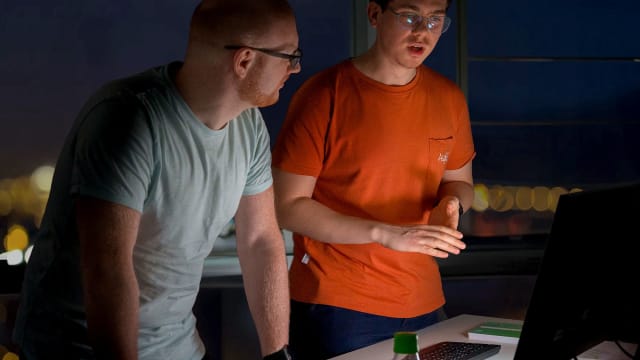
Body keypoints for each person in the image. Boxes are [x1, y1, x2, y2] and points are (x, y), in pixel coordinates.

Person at [13, 0, 301, 359]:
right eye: (289, 56)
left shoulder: (250, 126)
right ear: (244, 61)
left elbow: (260, 241)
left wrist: (277, 355)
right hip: (77, 350)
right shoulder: (128, 120)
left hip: (176, 348)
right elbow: (108, 270)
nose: (295, 68)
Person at [271, 0, 475, 358]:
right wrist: (385, 233)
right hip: (338, 307)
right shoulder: (324, 95)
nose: (422, 31)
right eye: (410, 16)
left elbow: (460, 182)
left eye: (435, 20)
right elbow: (287, 207)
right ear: (374, 15)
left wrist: (452, 204)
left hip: (425, 302)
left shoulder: (449, 98)